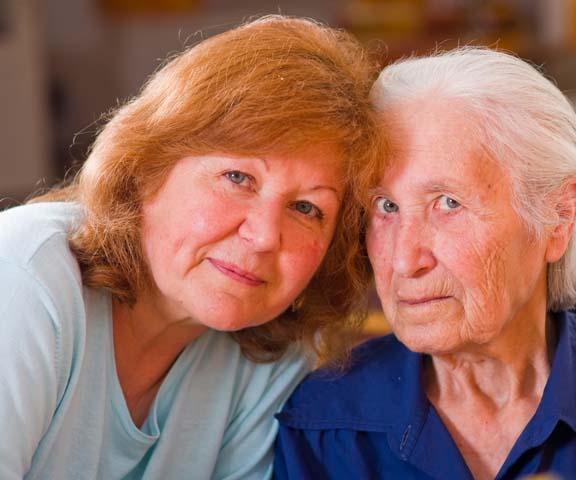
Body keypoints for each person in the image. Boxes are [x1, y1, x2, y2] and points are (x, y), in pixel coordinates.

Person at [273, 48, 576, 480]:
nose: (404, 260)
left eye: (448, 203)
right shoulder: (323, 428)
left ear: (557, 217)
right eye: (386, 206)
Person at [0, 16, 385, 479]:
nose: (264, 236)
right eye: (238, 178)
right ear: (146, 168)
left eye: (306, 209)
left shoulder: (270, 359)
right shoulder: (23, 275)